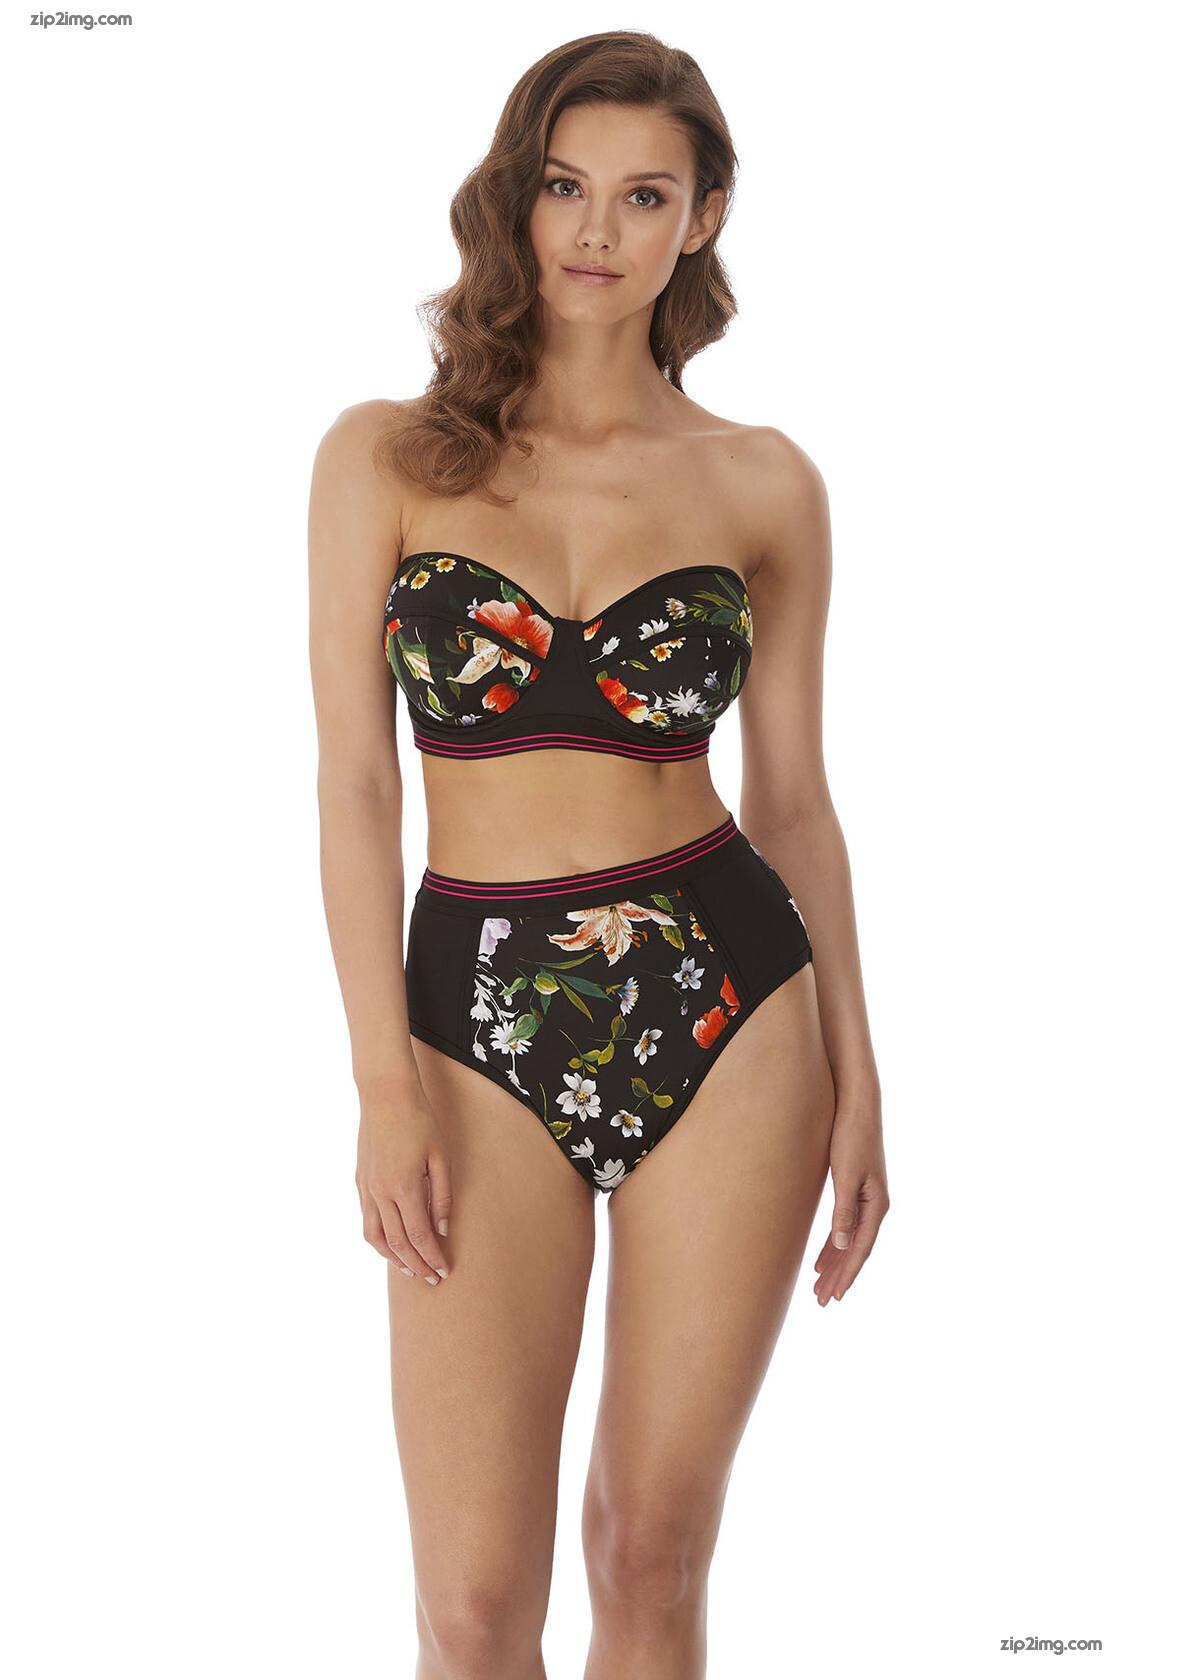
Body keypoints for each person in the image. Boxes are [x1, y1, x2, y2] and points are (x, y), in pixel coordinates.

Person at [308, 30, 888, 1680]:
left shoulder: (763, 482)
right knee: (473, 1610)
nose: (596, 230)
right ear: (516, 196)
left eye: (645, 196)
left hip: (731, 1003)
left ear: (703, 218)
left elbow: (794, 801)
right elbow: (355, 785)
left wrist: (860, 1074)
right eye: (566, 186)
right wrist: (382, 1086)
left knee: (650, 1551)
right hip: (470, 1017)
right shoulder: (383, 456)